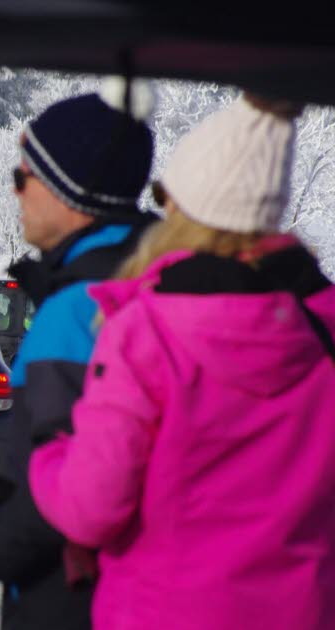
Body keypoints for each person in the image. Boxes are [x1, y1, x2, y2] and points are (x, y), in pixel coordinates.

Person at [28, 96, 335, 629]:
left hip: (163, 610)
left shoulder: (149, 331)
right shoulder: (323, 329)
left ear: (185, 209)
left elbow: (90, 508)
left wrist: (50, 456)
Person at [0, 86, 157, 630]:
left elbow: (71, 499)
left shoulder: (77, 309)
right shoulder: (160, 281)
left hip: (75, 599)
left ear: (69, 193)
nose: (16, 193)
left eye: (23, 177)